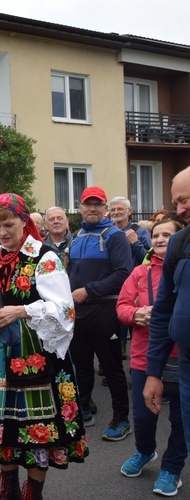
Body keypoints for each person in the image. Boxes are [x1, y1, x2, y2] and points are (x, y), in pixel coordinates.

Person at [0, 193, 88, 500]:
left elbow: (64, 308)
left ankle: (32, 492)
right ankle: (8, 488)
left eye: (8, 224)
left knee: (38, 425)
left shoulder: (44, 257)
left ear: (24, 222)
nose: (1, 232)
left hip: (35, 346)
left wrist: (21, 310)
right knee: (4, 421)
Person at [116, 217, 187, 497]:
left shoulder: (185, 270)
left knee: (181, 421)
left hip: (182, 360)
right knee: (144, 419)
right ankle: (145, 452)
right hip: (144, 359)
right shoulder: (139, 272)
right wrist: (135, 314)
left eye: (167, 235)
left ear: (181, 240)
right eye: (156, 235)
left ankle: (172, 468)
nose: (159, 239)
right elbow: (121, 307)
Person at [67, 186, 132, 440]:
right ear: (80, 207)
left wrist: (89, 290)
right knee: (81, 365)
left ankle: (121, 419)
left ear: (105, 208)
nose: (92, 208)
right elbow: (70, 270)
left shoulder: (115, 236)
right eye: (87, 204)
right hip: (78, 310)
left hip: (105, 309)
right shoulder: (78, 235)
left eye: (98, 204)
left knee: (112, 367)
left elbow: (123, 274)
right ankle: (84, 409)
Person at [144, 166, 190, 497]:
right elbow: (162, 313)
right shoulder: (179, 244)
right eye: (177, 202)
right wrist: (154, 372)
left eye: (185, 199)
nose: (181, 209)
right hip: (186, 367)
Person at [109, 197, 152, 267]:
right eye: (113, 210)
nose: (116, 212)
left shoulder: (141, 232)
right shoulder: (107, 232)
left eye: (120, 209)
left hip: (133, 276)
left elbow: (149, 259)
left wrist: (135, 243)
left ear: (129, 211)